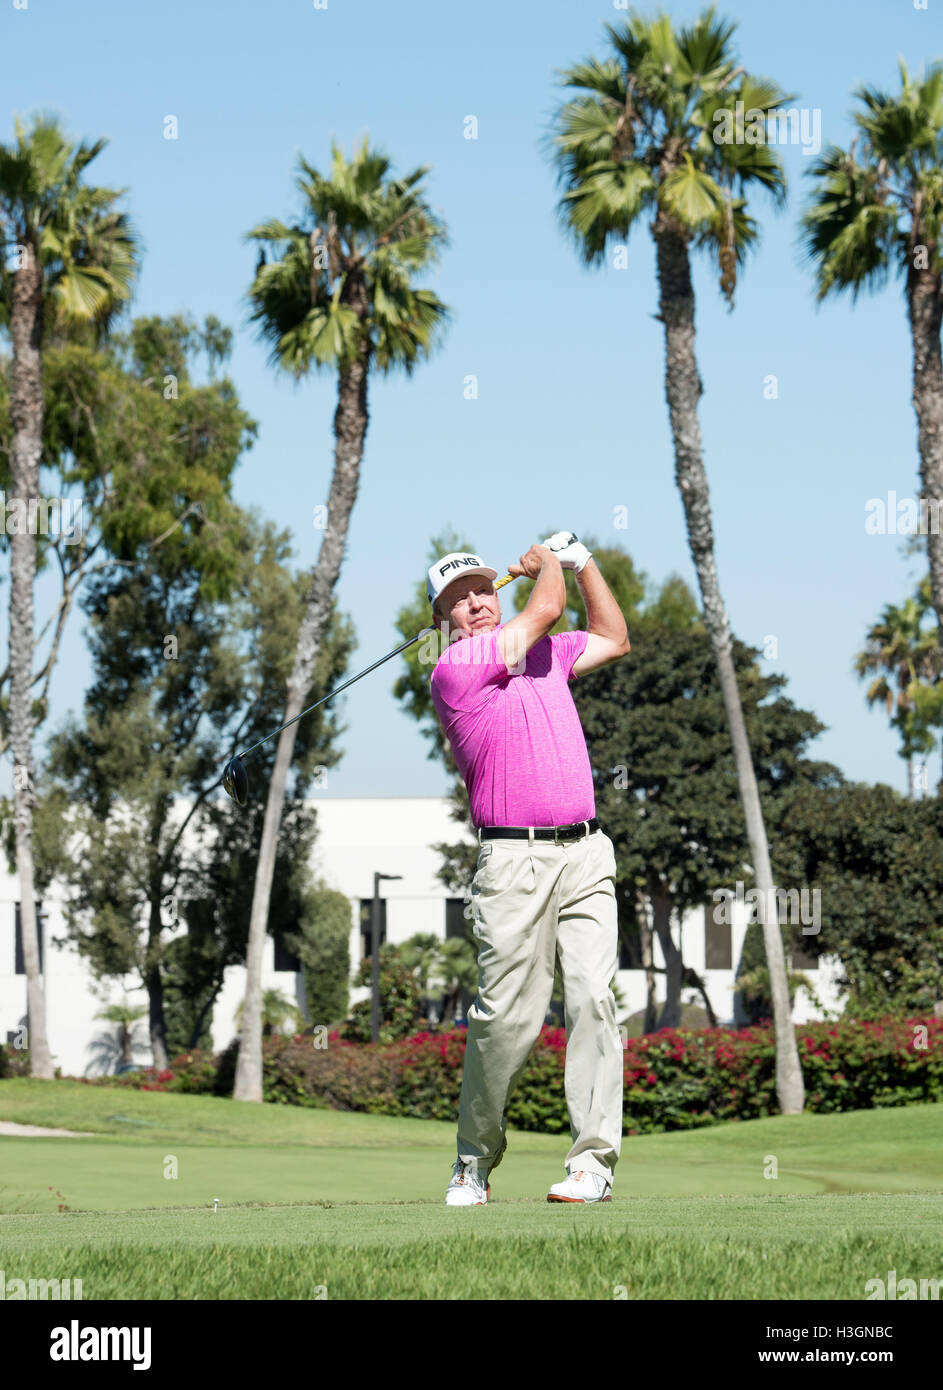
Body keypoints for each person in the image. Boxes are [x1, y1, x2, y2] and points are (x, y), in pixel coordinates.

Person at [426, 532, 631, 1205]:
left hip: (585, 852)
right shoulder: (455, 671)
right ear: (443, 622)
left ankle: (592, 1163)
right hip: (511, 861)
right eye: (458, 600)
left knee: (594, 1001)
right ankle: (472, 1161)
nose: (475, 603)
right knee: (504, 1021)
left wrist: (582, 563)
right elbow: (542, 610)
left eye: (482, 589)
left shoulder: (546, 657)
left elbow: (611, 636)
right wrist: (546, 567)